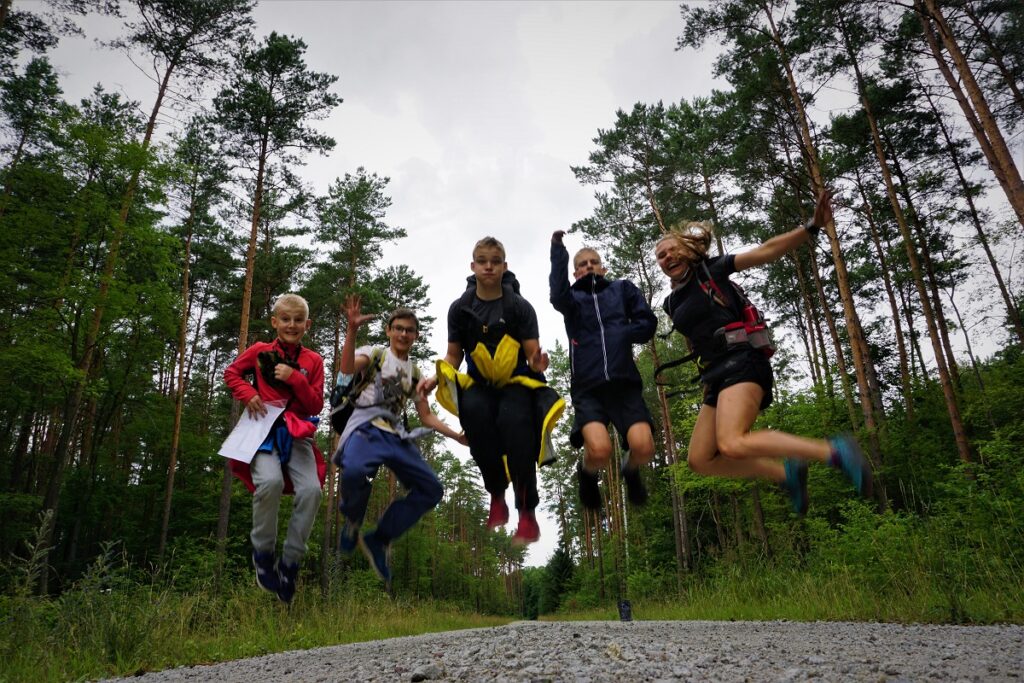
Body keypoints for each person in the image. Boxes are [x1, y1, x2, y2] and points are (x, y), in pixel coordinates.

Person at [655, 191, 872, 514]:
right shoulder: (671, 303)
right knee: (700, 459)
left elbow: (766, 251)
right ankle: (784, 473)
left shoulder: (712, 270)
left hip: (743, 362)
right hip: (716, 377)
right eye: (660, 256)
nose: (667, 257)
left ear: (688, 250)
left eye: (672, 250)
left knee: (732, 442)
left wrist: (811, 227)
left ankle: (834, 451)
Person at [420, 236, 564, 546]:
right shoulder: (460, 309)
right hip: (480, 383)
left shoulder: (519, 307)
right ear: (473, 266)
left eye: (495, 261)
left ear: (504, 266)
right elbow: (453, 356)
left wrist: (539, 362)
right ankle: (496, 492)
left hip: (516, 382)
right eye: (482, 261)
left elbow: (532, 354)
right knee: (473, 414)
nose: (489, 266)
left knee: (517, 428)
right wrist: (435, 379)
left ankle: (527, 511)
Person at [334, 295, 466, 590]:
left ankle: (379, 539)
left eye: (409, 330)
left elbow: (427, 416)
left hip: (395, 435)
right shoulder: (376, 354)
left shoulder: (415, 373)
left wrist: (456, 435)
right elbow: (346, 369)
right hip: (365, 428)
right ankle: (353, 521)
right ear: (388, 331)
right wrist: (352, 331)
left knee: (432, 489)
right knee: (354, 472)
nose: (404, 334)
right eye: (399, 328)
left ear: (416, 336)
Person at [223, 293, 326, 604]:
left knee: (312, 491)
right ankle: (263, 555)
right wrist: (247, 393)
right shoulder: (259, 351)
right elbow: (231, 373)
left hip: (297, 433)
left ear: (307, 324)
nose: (291, 325)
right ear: (274, 322)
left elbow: (316, 404)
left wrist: (295, 378)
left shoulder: (313, 361)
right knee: (269, 482)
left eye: (297, 320)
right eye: (285, 319)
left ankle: (291, 562)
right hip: (262, 431)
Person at [549, 232, 658, 510]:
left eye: (593, 262)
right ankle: (586, 474)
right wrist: (558, 251)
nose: (588, 266)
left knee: (644, 448)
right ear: (575, 273)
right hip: (589, 388)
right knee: (599, 451)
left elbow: (647, 323)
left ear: (603, 267)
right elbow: (557, 293)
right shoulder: (571, 299)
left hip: (624, 385)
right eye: (582, 264)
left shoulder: (622, 290)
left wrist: (622, 334)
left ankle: (630, 470)